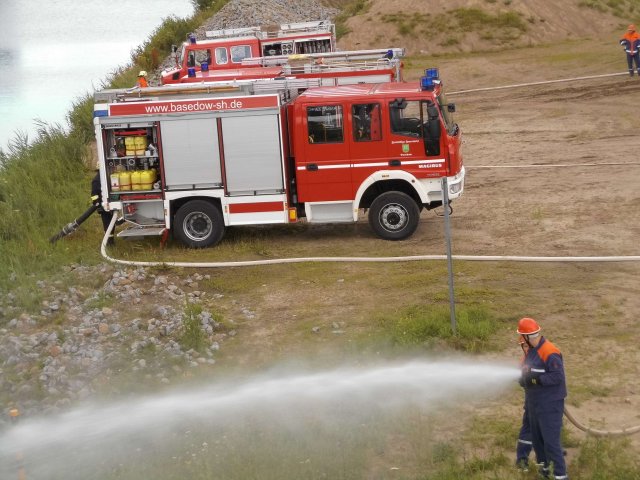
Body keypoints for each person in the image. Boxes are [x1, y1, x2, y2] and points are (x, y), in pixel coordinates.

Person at [517, 317, 568, 480]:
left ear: (526, 336)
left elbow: (557, 377)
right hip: (533, 403)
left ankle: (561, 476)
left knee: (551, 444)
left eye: (521, 336)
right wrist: (523, 379)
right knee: (538, 443)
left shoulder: (549, 351)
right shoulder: (529, 351)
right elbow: (527, 371)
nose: (520, 340)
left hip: (549, 404)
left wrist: (537, 380)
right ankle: (545, 473)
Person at [515, 335, 533, 472]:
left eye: (528, 346)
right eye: (524, 346)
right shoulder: (526, 359)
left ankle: (554, 454)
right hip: (532, 401)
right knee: (529, 428)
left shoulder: (541, 355)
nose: (527, 349)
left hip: (546, 402)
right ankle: (522, 460)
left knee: (551, 428)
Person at [91, 169, 115, 245]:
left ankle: (110, 240)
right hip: (102, 205)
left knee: (111, 222)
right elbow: (94, 195)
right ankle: (109, 241)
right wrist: (97, 204)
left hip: (107, 203)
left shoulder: (104, 177)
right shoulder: (96, 180)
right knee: (107, 223)